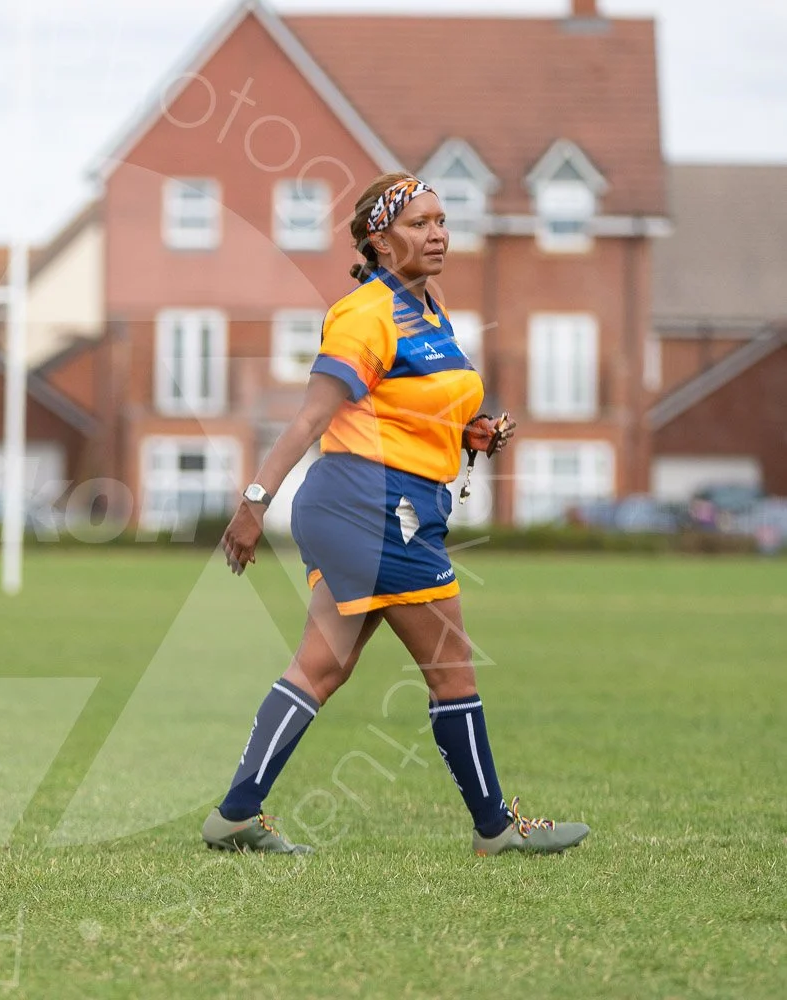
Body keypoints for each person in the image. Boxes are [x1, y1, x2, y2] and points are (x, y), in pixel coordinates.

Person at [201, 173, 589, 857]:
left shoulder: (430, 308)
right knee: (452, 669)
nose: (437, 233)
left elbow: (408, 408)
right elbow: (311, 419)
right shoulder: (365, 313)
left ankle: (236, 813)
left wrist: (470, 433)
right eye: (419, 223)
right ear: (379, 240)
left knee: (320, 668)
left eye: (441, 221)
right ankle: (495, 828)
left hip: (384, 506)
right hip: (376, 508)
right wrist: (252, 504)